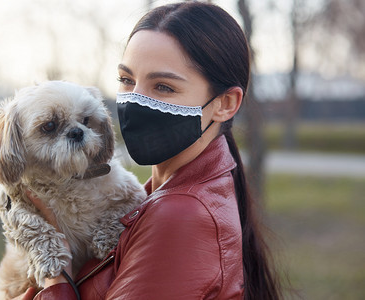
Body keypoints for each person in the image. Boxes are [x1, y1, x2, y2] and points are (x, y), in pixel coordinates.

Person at [16, 1, 282, 299]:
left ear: (226, 104)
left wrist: (56, 278)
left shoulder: (181, 217)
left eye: (163, 87)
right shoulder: (166, 194)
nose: (135, 101)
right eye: (127, 80)